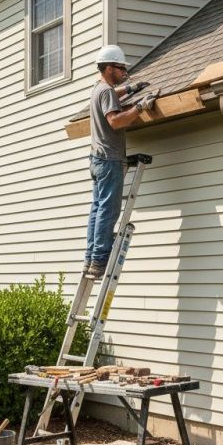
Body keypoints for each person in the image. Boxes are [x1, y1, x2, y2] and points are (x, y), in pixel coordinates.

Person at [84, 45, 157, 278]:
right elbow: (115, 121)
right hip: (109, 160)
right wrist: (139, 106)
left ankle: (91, 259)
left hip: (97, 159)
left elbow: (113, 97)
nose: (123, 71)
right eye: (120, 67)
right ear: (108, 68)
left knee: (97, 210)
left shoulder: (99, 90)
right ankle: (100, 260)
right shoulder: (106, 91)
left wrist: (132, 88)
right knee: (108, 210)